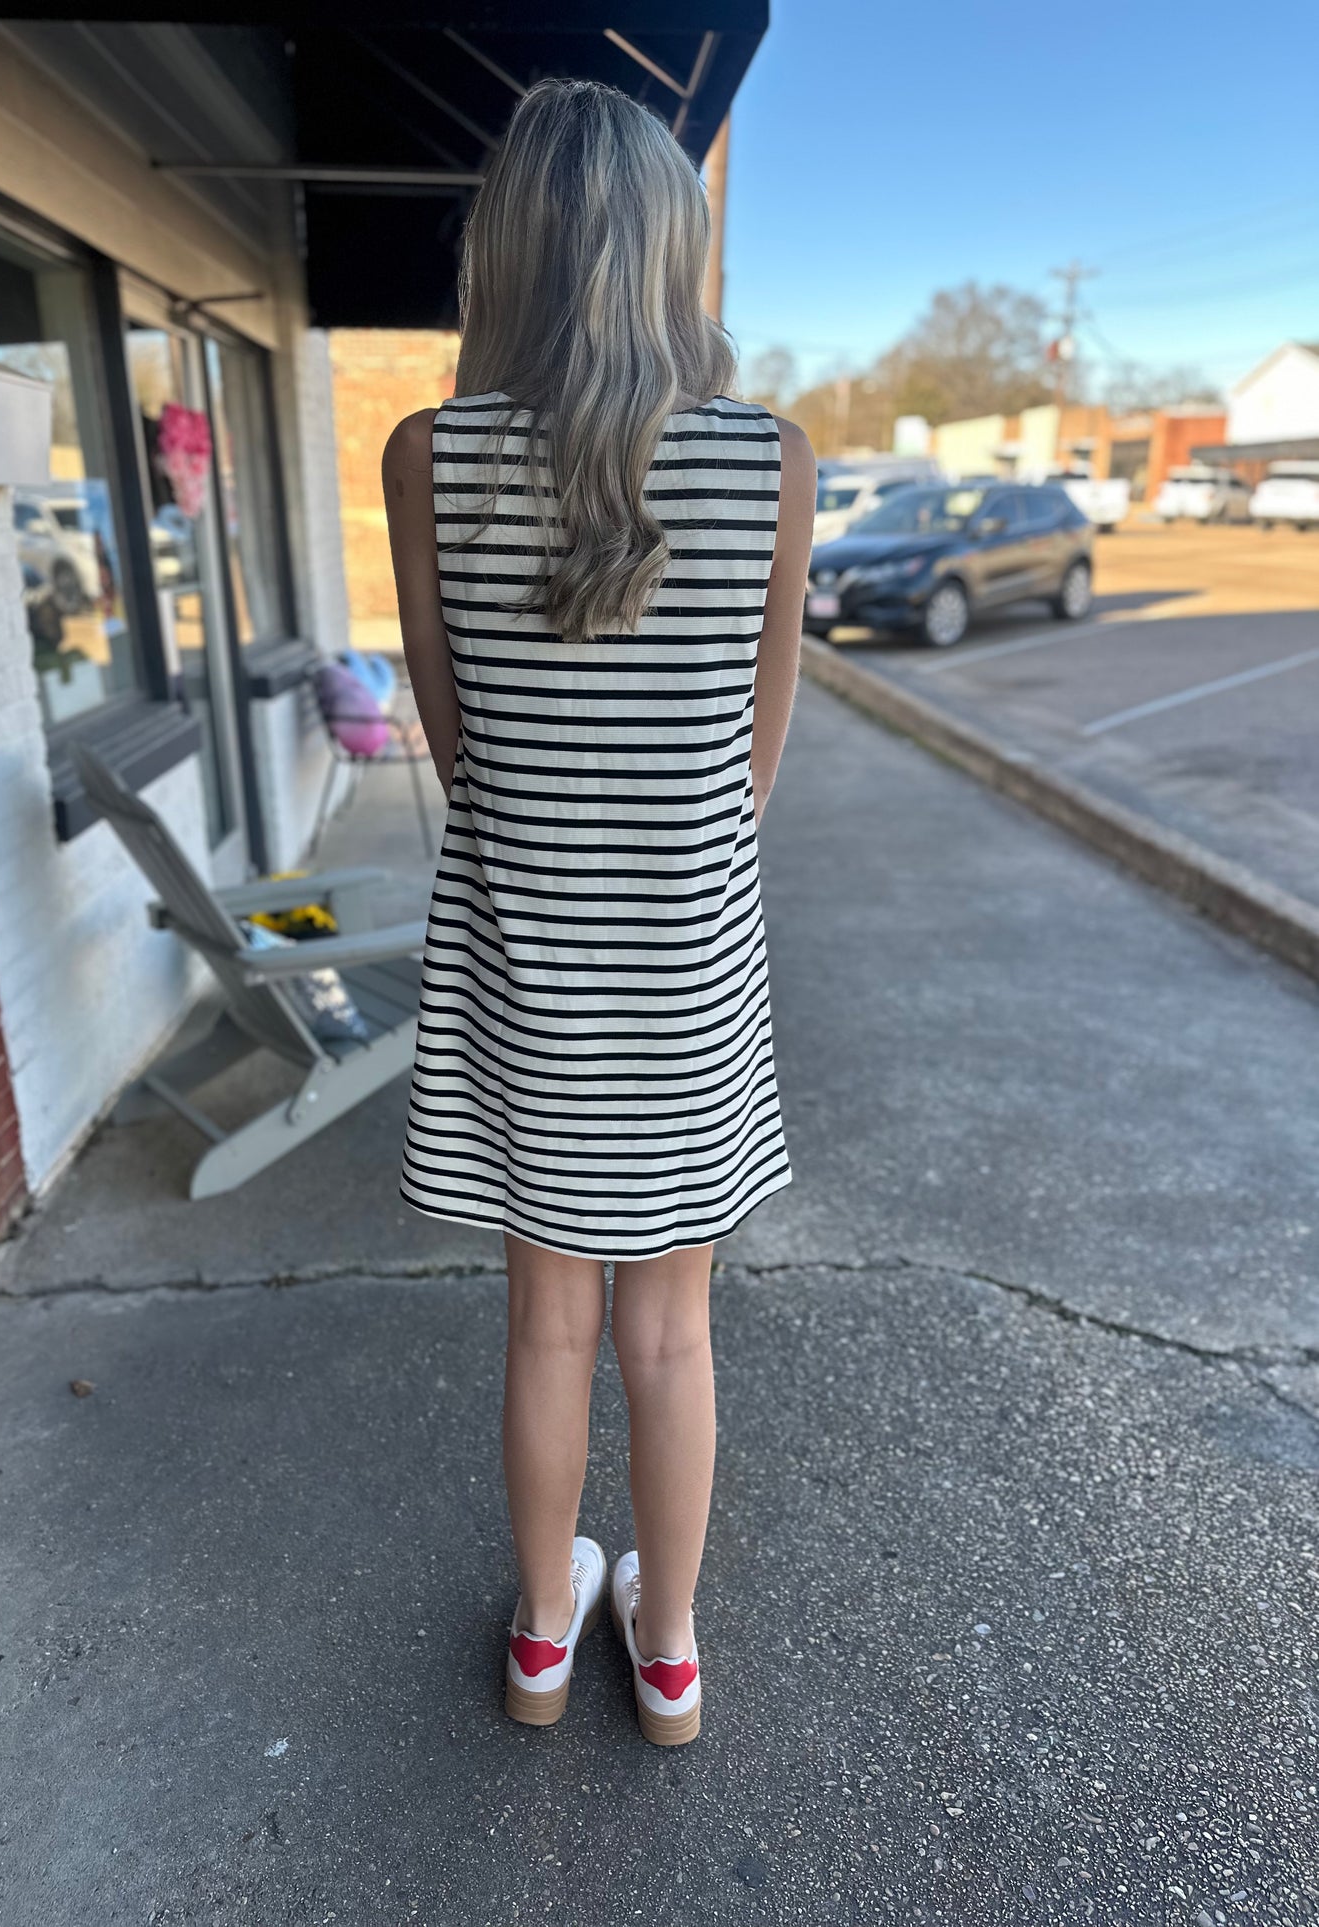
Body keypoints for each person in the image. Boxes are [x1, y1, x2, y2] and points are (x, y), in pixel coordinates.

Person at [383, 78, 815, 1748]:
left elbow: (453, 742)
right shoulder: (766, 463)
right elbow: (751, 753)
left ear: (515, 250)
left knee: (546, 1317)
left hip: (523, 957)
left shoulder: (427, 459)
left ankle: (548, 1640)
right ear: (666, 250)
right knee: (672, 1328)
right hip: (688, 960)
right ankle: (676, 1646)